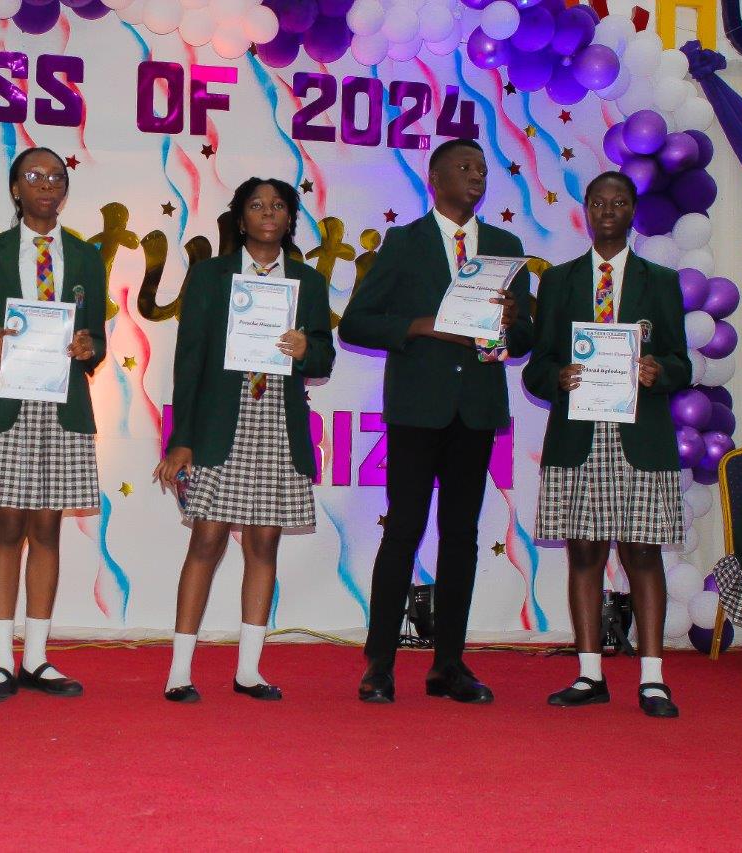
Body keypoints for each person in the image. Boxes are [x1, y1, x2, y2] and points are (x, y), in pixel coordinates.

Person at [338, 138, 533, 704]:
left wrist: (512, 323)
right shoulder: (405, 243)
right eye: (464, 167)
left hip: (476, 409)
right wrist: (420, 326)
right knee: (402, 531)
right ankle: (379, 664)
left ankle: (448, 664)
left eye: (482, 169)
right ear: (435, 178)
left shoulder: (505, 247)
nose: (476, 176)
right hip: (417, 410)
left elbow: (526, 338)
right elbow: (355, 323)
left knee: (462, 535)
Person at [153, 178, 335, 702]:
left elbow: (324, 357)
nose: (268, 213)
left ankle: (249, 671)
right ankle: (179, 671)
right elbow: (189, 361)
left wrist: (305, 348)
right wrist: (181, 440)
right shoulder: (211, 277)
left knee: (263, 543)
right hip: (219, 424)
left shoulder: (307, 281)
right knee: (206, 540)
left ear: (290, 218)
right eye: (256, 205)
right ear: (241, 218)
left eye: (278, 206)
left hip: (277, 422)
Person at [523, 171, 689, 718]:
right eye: (598, 202)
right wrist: (558, 377)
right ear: (586, 210)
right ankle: (589, 673)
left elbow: (682, 362)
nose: (608, 210)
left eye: (619, 202)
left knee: (642, 552)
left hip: (640, 438)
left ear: (633, 210)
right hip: (580, 436)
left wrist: (658, 371)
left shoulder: (660, 281)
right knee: (585, 552)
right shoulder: (560, 281)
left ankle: (653, 678)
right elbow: (537, 367)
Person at [0, 146, 107, 702]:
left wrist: (89, 347)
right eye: (34, 175)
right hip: (10, 403)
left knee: (47, 529)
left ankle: (37, 658)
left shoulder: (86, 255)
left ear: (65, 190)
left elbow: (95, 337)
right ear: (15, 188)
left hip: (64, 405)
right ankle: (0, 660)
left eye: (56, 177)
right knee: (7, 527)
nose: (46, 184)